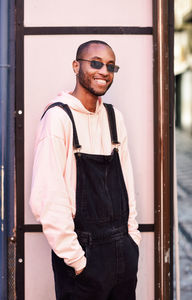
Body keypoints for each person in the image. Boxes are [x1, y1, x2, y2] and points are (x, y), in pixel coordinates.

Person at [30, 40, 141, 300]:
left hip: (122, 253)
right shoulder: (58, 118)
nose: (104, 71)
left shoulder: (115, 118)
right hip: (83, 254)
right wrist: (77, 260)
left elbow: (127, 183)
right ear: (76, 65)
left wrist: (132, 241)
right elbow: (47, 197)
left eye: (110, 66)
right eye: (96, 63)